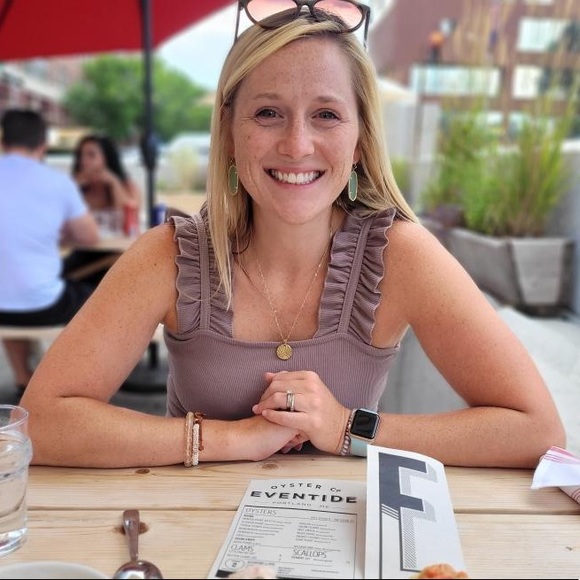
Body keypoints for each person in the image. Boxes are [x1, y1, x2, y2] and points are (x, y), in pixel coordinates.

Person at [21, 2, 565, 469]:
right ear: (230, 132)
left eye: (326, 114)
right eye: (268, 113)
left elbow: (536, 429)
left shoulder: (400, 255)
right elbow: (40, 422)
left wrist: (347, 427)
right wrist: (230, 439)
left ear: (359, 141)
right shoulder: (171, 255)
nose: (297, 144)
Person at [0, 108, 100, 393]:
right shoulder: (57, 182)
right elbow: (90, 237)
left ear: (3, 142)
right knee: (96, 296)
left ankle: (24, 378)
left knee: (11, 284)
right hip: (44, 305)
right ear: (42, 145)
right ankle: (69, 381)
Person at [63, 134, 143, 286]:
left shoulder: (127, 186)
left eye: (91, 155)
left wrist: (113, 183)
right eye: (81, 155)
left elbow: (128, 217)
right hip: (84, 252)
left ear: (106, 158)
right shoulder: (75, 187)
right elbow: (61, 220)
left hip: (117, 255)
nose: (84, 161)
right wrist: (73, 187)